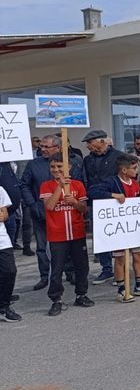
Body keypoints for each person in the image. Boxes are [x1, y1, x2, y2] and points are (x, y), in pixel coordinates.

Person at [89, 154, 140, 302]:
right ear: (124, 170)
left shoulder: (134, 183)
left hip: (134, 227)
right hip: (119, 229)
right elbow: (93, 192)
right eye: (134, 168)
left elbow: (136, 197)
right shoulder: (111, 182)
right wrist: (112, 195)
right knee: (120, 258)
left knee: (138, 255)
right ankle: (121, 289)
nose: (137, 171)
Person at [21, 135, 87, 290]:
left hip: (68, 217)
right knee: (43, 247)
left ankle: (71, 274)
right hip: (41, 211)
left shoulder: (74, 161)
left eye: (46, 147)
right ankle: (46, 276)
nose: (42, 149)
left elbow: (80, 186)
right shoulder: (33, 164)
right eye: (41, 146)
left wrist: (76, 202)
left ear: (57, 147)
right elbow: (25, 185)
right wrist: (33, 205)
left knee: (71, 248)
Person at [40, 153, 93, 315]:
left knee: (81, 266)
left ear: (68, 167)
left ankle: (81, 294)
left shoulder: (77, 185)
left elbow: (84, 209)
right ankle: (56, 299)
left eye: (59, 166)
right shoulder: (46, 185)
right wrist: (60, 187)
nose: (56, 170)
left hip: (77, 232)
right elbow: (49, 206)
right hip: (57, 234)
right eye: (53, 167)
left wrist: (75, 203)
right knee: (57, 268)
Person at [0, 184, 20, 322]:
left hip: (2, 241)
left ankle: (4, 306)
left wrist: (3, 214)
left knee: (10, 271)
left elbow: (4, 214)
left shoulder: (0, 189)